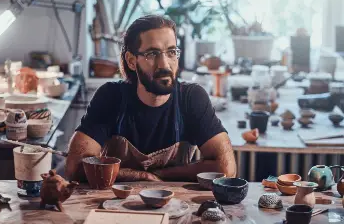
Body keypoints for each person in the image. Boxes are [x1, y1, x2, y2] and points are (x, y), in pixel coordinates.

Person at [65, 15, 236, 182]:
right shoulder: (111, 97)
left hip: (176, 205)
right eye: (152, 54)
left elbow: (226, 169)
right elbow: (76, 166)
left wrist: (161, 176)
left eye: (171, 52)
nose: (164, 64)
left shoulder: (191, 99)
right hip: (113, 204)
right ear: (132, 61)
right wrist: (141, 176)